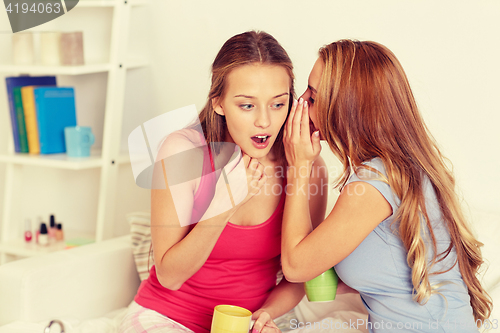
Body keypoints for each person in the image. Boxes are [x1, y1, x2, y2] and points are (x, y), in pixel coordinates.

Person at [119, 31, 328, 333]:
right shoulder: (182, 153)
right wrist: (224, 204)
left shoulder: (307, 166)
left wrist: (265, 314)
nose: (264, 121)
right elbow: (169, 275)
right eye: (247, 105)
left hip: (247, 325)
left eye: (278, 104)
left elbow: (300, 274)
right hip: (167, 317)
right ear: (218, 103)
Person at [281, 40, 492, 332]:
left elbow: (295, 267)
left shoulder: (374, 183)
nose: (301, 103)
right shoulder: (397, 170)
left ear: (348, 109)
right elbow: (386, 275)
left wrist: (299, 167)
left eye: (313, 97)